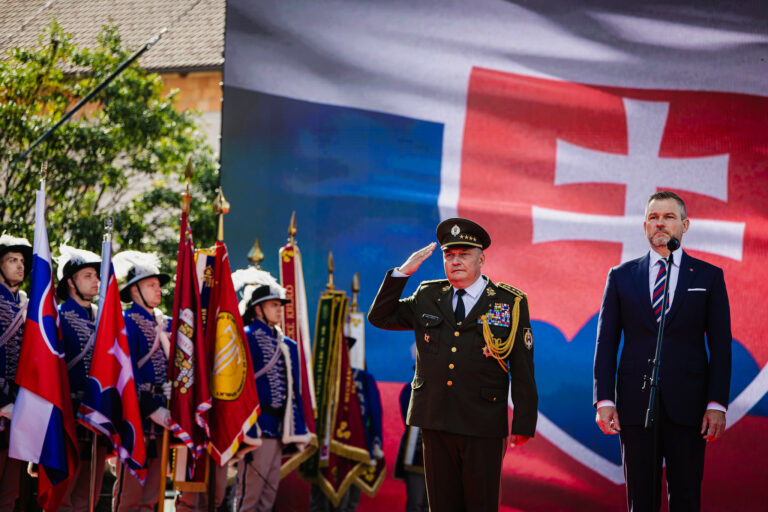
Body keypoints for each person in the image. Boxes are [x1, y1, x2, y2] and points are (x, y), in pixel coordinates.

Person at [368, 217, 538, 512]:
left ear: (482, 258)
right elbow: (380, 317)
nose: (455, 261)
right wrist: (402, 272)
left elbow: (522, 366)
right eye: (450, 255)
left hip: (482, 422)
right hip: (436, 419)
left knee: (480, 505)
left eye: (464, 254)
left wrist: (524, 421)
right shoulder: (428, 296)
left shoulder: (508, 303)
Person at [593, 191, 732, 511]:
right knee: (640, 500)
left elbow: (721, 345)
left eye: (669, 217)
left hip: (690, 406)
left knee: (686, 498)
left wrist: (716, 404)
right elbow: (606, 342)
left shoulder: (709, 277)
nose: (660, 223)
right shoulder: (620, 276)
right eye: (653, 218)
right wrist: (604, 400)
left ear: (684, 225)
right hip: (636, 403)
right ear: (644, 226)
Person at [231, 267, 312, 512]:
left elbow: (293, 392)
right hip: (256, 427)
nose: (280, 309)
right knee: (250, 495)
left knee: (268, 496)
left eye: (280, 304)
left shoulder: (286, 344)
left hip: (279, 428)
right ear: (258, 308)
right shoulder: (245, 336)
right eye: (273, 304)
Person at [112, 251, 173, 512]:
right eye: (151, 284)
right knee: (130, 496)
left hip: (162, 418)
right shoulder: (127, 322)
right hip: (136, 417)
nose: (158, 289)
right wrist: (152, 408)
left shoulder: (164, 324)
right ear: (134, 290)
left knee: (151, 498)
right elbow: (124, 373)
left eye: (159, 285)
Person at [56, 244, 109, 511]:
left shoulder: (103, 320)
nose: (96, 281)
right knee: (63, 495)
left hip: (95, 415)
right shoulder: (58, 317)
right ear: (71, 282)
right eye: (88, 275)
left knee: (90, 496)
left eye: (97, 276)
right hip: (67, 417)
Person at [0, 234, 32, 510]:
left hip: (18, 406)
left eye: (22, 261)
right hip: (2, 404)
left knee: (11, 493)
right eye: (12, 260)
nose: (20, 266)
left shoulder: (25, 303)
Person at [394, 382, 427, 512]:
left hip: (440, 459)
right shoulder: (410, 389)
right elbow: (407, 418)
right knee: (415, 503)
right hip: (416, 453)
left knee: (431, 505)